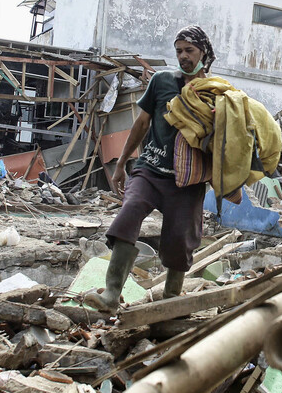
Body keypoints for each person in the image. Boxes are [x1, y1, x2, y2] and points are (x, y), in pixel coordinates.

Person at [84, 26, 216, 313]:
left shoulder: (215, 93)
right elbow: (141, 123)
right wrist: (121, 163)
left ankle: (170, 299)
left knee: (179, 240)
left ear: (203, 52)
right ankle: (111, 293)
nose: (183, 56)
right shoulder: (161, 81)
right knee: (129, 214)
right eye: (179, 50)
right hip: (150, 169)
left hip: (186, 182)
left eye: (189, 50)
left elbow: (224, 142)